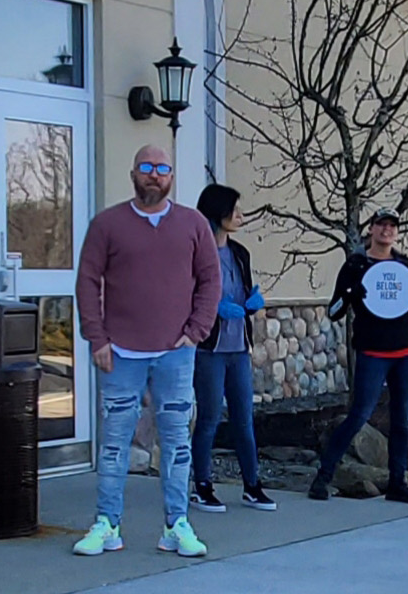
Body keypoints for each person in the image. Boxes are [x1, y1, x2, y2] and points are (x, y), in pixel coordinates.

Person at [73, 146, 221, 558]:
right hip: (119, 353)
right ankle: (107, 524)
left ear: (171, 176)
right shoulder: (107, 225)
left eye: (162, 169)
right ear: (133, 173)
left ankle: (177, 526)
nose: (154, 176)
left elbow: (210, 280)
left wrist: (196, 330)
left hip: (176, 352)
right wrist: (97, 338)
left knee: (176, 443)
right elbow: (87, 281)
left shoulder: (193, 224)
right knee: (115, 442)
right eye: (146, 168)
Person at [310, 208, 408, 504]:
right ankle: (323, 475)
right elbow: (335, 310)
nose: (387, 230)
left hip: (406, 350)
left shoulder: (404, 266)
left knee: (402, 420)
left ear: (397, 232)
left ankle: (397, 482)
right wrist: (352, 292)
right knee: (359, 415)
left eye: (392, 226)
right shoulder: (356, 265)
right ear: (372, 229)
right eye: (381, 225)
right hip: (373, 351)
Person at [189, 185, 275, 513]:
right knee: (209, 418)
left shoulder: (240, 252)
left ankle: (252, 486)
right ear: (218, 211)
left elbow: (242, 291)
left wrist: (252, 303)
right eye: (235, 209)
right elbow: (187, 298)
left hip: (238, 346)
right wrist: (214, 309)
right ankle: (202, 485)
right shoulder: (195, 252)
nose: (240, 215)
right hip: (209, 349)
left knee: (244, 419)